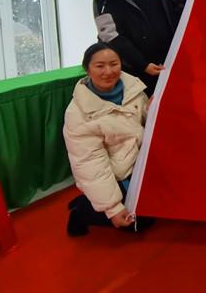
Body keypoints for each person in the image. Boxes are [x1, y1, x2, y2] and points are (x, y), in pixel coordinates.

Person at [63, 43, 154, 236]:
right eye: (100, 66)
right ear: (87, 69)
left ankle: (91, 201)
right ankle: (82, 212)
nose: (109, 71)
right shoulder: (78, 114)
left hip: (142, 163)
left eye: (114, 64)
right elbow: (90, 163)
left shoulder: (134, 89)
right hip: (117, 173)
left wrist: (153, 109)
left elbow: (146, 124)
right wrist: (113, 209)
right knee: (138, 224)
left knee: (161, 207)